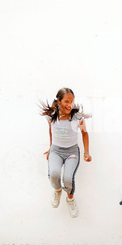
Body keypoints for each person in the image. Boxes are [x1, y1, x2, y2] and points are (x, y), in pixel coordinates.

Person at [40, 88, 92, 218]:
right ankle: (57, 190)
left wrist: (86, 152)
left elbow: (85, 133)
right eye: (66, 101)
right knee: (54, 174)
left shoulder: (76, 117)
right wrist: (51, 147)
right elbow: (51, 130)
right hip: (56, 150)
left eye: (72, 101)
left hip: (71, 151)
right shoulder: (51, 116)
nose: (70, 105)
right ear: (58, 101)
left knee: (68, 178)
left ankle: (70, 199)